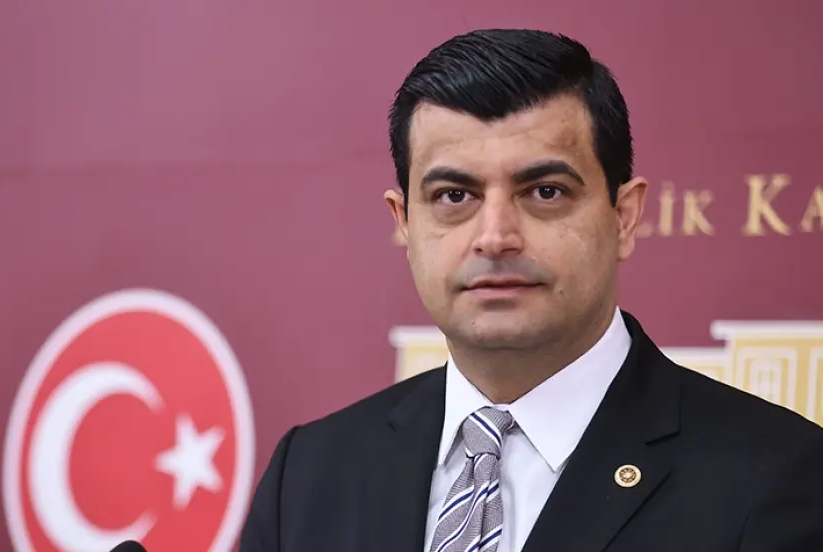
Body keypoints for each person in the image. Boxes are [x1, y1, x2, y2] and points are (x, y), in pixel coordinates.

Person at [239, 29, 823, 552]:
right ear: (405, 223)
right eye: (453, 196)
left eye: (545, 192)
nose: (495, 237)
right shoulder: (309, 474)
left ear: (623, 217)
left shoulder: (777, 476)